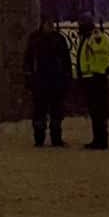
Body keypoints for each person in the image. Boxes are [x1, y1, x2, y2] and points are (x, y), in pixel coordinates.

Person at [23, 15, 72, 148]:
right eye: (47, 23)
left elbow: (66, 60)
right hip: (40, 80)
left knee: (56, 111)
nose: (49, 26)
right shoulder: (35, 39)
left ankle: (56, 138)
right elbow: (28, 59)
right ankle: (39, 138)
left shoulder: (58, 39)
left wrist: (66, 77)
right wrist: (29, 77)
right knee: (40, 111)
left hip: (55, 80)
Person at [76, 16, 109, 150]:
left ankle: (101, 140)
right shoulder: (88, 38)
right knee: (95, 111)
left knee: (98, 111)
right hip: (90, 77)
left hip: (96, 78)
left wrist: (97, 71)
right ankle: (98, 138)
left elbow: (99, 53)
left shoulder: (95, 37)